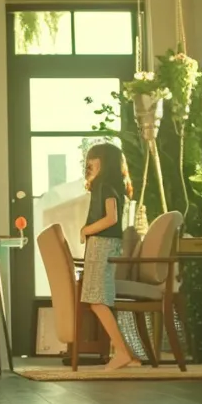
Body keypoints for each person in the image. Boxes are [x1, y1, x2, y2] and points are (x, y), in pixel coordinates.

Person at [78, 142, 143, 371]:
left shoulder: (104, 186)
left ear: (103, 161)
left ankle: (122, 353)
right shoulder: (110, 185)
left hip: (102, 245)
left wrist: (86, 230)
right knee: (99, 300)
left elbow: (111, 218)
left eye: (93, 158)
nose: (89, 163)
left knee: (97, 301)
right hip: (105, 244)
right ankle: (129, 355)